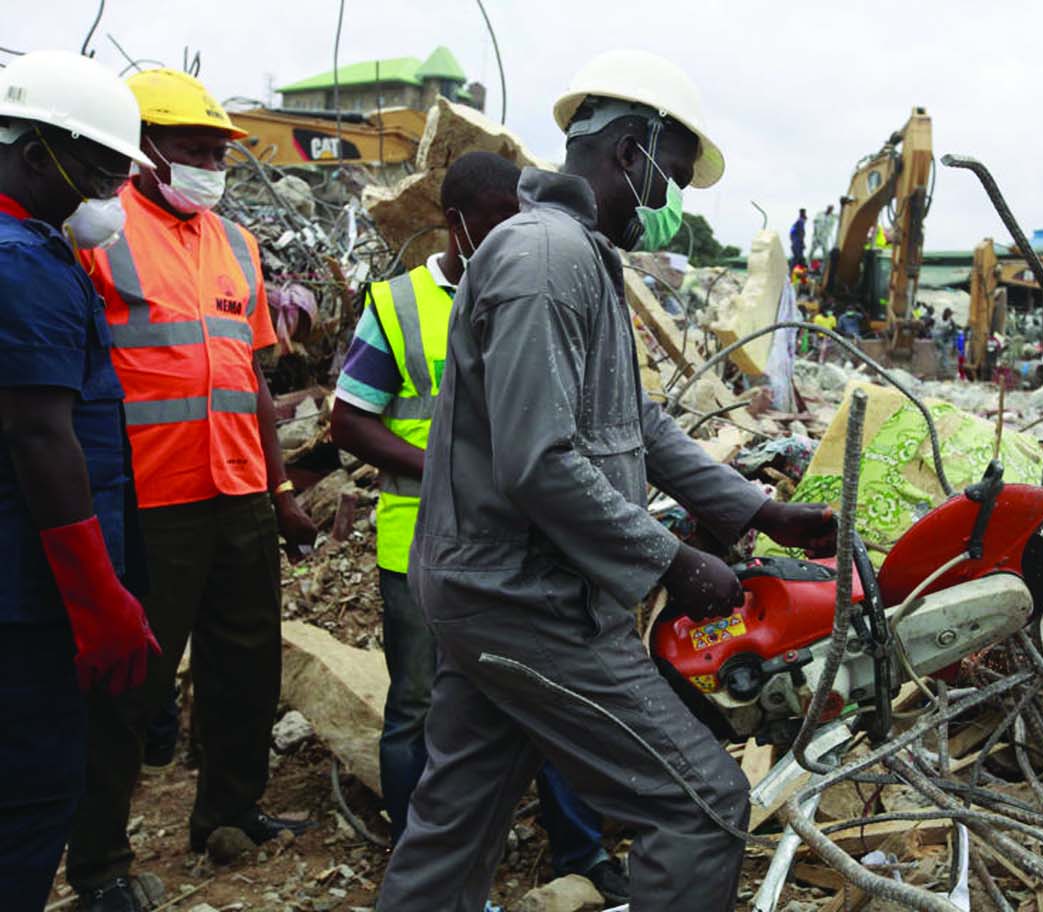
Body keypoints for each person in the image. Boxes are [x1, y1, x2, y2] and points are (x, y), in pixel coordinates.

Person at [376, 50, 836, 912]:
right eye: (672, 182)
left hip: (500, 591)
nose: (668, 209)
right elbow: (540, 460)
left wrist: (760, 511)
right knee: (700, 807)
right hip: (527, 600)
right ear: (631, 151)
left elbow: (640, 425)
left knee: (452, 830)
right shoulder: (547, 261)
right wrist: (672, 562)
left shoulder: (576, 256)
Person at [330, 151, 627, 903]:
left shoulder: (544, 285)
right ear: (456, 227)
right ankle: (427, 864)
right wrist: (443, 468)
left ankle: (579, 853)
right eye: (494, 228)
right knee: (420, 713)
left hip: (528, 551)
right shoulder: (398, 305)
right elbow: (349, 419)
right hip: (421, 547)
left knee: (549, 699)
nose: (511, 242)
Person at [67, 68, 318, 910]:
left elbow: (249, 379)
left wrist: (279, 488)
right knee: (131, 681)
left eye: (220, 151)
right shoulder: (96, 235)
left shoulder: (236, 243)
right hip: (149, 500)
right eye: (195, 150)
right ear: (144, 151)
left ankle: (229, 810)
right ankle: (99, 859)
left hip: (239, 490)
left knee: (245, 665)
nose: (212, 164)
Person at [0, 50, 162, 912]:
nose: (109, 195)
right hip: (28, 598)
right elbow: (40, 435)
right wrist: (100, 602)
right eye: (98, 172)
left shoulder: (32, 250)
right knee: (29, 801)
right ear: (35, 155)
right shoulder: (22, 263)